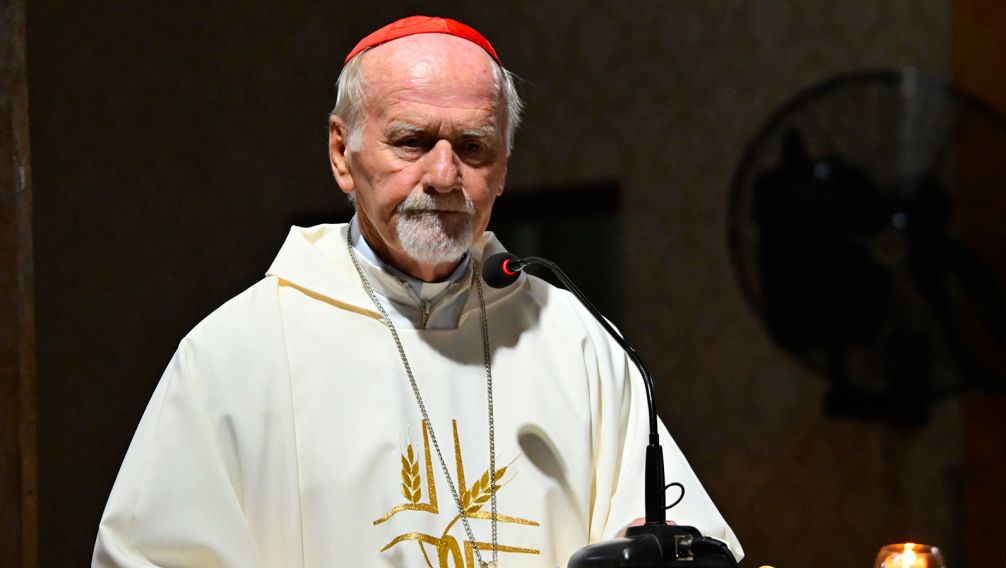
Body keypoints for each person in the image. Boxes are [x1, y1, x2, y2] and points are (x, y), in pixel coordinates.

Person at [93, 15, 742, 568]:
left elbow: (685, 547)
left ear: (503, 169)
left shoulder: (579, 343)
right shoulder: (236, 354)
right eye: (412, 141)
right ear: (342, 154)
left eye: (473, 147)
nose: (444, 175)